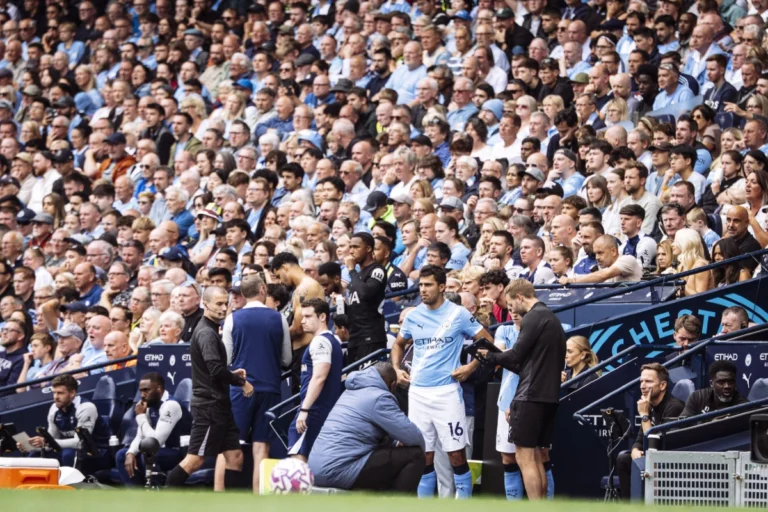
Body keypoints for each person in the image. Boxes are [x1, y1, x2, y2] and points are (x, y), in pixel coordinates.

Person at [391, 265, 494, 499]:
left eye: (428, 285)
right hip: (417, 394)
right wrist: (396, 370)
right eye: (421, 285)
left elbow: (487, 341)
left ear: (442, 286)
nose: (423, 290)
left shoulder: (458, 314)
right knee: (424, 455)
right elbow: (398, 344)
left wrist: (470, 367)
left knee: (455, 454)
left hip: (446, 393)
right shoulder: (414, 315)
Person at [478, 278, 565, 500]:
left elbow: (516, 355)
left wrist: (490, 356)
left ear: (519, 297)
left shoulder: (533, 317)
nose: (510, 311)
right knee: (537, 457)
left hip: (530, 396)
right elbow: (523, 363)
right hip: (548, 396)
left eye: (510, 305)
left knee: (524, 458)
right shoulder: (552, 318)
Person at [164, 286, 254, 490]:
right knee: (195, 460)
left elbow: (214, 368)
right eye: (219, 304)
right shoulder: (206, 332)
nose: (224, 308)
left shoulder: (210, 329)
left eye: (226, 303)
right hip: (210, 407)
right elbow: (214, 369)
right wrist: (241, 382)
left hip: (219, 406)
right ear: (205, 304)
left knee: (235, 456)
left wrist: (231, 373)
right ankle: (163, 500)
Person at [308, 362, 426, 493]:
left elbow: (361, 432)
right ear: (392, 384)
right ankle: (400, 506)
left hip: (316, 469)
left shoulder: (350, 392)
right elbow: (413, 436)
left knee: (389, 457)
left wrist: (395, 442)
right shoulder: (380, 397)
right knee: (416, 455)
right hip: (339, 471)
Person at [220, 274, 291, 492]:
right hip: (270, 388)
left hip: (240, 389)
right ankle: (259, 500)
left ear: (242, 294)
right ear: (263, 290)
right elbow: (286, 359)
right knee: (262, 449)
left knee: (231, 447)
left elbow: (226, 360)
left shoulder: (233, 318)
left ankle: (220, 496)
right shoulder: (278, 318)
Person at [616, 363, 685, 500]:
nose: (642, 386)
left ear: (663, 385)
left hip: (669, 460)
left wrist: (644, 415)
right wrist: (636, 449)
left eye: (648, 381)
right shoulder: (649, 404)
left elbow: (656, 445)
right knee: (623, 458)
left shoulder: (675, 406)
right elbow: (640, 439)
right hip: (653, 456)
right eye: (641, 381)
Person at [287, 298, 343, 462]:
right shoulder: (332, 340)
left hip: (314, 409)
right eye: (302, 316)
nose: (302, 321)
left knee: (298, 460)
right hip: (320, 409)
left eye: (308, 316)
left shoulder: (321, 341)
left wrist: (304, 410)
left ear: (323, 317)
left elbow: (319, 377)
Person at [17, 374, 111, 471]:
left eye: (60, 393)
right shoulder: (54, 409)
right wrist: (32, 447)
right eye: (54, 393)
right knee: (35, 455)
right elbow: (52, 442)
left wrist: (47, 442)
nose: (56, 397)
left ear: (72, 393)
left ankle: (74, 485)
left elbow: (80, 443)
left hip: (99, 452)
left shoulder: (85, 408)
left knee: (68, 454)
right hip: (71, 450)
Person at [116, 372, 191, 486]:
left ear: (159, 389)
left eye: (146, 390)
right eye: (141, 391)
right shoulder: (150, 405)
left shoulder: (170, 405)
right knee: (122, 455)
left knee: (148, 455)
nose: (142, 395)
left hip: (180, 452)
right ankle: (136, 497)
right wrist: (130, 453)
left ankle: (156, 492)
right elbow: (140, 436)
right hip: (160, 450)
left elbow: (156, 442)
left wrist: (140, 416)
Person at [344, 233, 387, 363]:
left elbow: (366, 293)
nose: (351, 251)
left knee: (368, 380)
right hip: (355, 337)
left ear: (368, 249)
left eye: (356, 247)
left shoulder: (377, 270)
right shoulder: (357, 277)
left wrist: (351, 270)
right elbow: (358, 306)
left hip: (371, 337)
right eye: (350, 247)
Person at [679, 361, 747, 420]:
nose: (727, 386)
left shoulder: (744, 406)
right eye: (721, 382)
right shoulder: (697, 397)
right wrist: (709, 425)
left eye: (730, 382)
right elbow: (682, 425)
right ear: (711, 383)